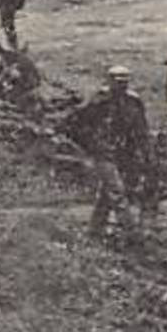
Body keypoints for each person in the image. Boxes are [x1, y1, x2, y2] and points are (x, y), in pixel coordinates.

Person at [69, 65, 155, 242]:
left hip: (125, 154)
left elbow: (141, 130)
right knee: (117, 192)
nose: (121, 86)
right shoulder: (97, 102)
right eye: (117, 82)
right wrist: (91, 145)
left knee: (107, 192)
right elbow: (75, 123)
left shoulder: (133, 102)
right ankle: (132, 234)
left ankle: (94, 229)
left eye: (124, 82)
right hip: (103, 153)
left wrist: (146, 154)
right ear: (109, 81)